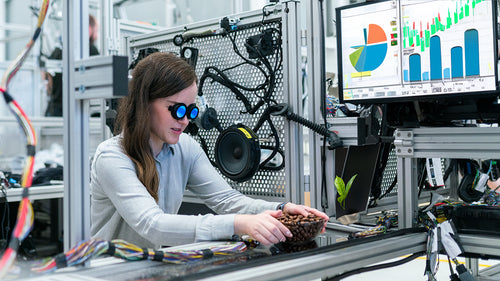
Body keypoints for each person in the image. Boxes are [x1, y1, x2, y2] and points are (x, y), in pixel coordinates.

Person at [89, 52, 329, 249]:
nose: (185, 121)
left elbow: (227, 200)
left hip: (152, 267)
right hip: (111, 271)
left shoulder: (185, 148)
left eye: (191, 111)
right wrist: (238, 224)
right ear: (144, 104)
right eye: (176, 110)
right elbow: (153, 225)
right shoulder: (112, 157)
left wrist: (279, 210)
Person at [44, 14, 99, 116]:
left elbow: (47, 82)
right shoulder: (90, 49)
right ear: (88, 28)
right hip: (76, 111)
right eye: (96, 30)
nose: (97, 34)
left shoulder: (58, 50)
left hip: (54, 111)